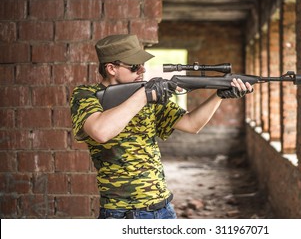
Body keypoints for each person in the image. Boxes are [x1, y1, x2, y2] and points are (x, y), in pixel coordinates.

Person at [70, 34, 253, 219]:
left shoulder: (147, 95)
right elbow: (101, 132)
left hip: (163, 207)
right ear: (111, 68)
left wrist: (219, 96)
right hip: (122, 213)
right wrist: (144, 95)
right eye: (134, 66)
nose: (142, 69)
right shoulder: (87, 95)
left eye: (142, 64)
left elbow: (191, 124)